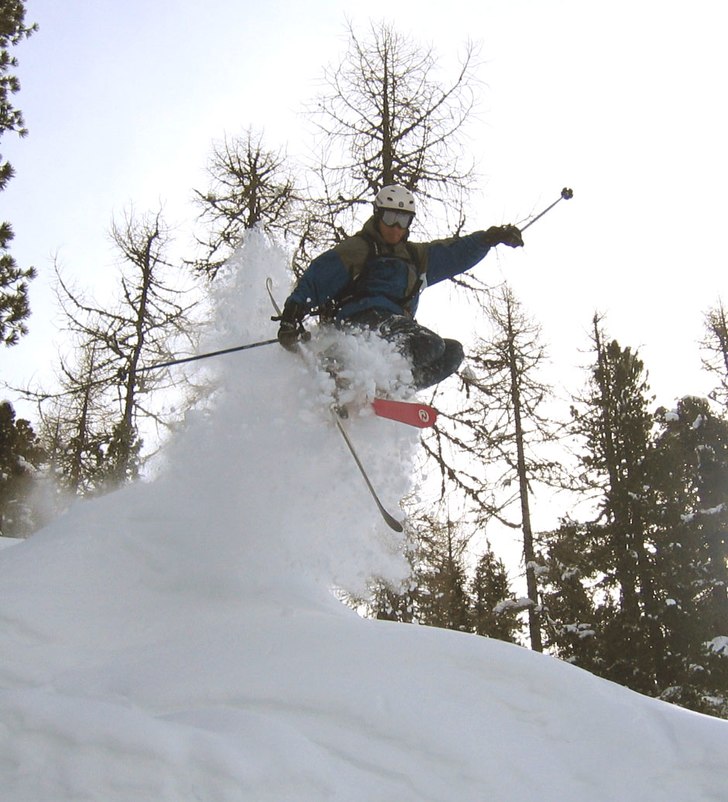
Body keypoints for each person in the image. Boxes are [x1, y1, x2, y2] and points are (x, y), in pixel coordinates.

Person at [276, 184, 523, 390]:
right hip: (361, 322)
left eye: (403, 220)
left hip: (394, 326)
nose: (396, 227)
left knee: (452, 352)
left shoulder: (416, 257)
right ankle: (347, 369)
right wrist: (292, 314)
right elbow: (322, 274)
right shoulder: (362, 247)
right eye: (390, 217)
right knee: (430, 344)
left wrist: (489, 239)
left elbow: (453, 254)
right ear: (378, 215)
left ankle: (392, 390)